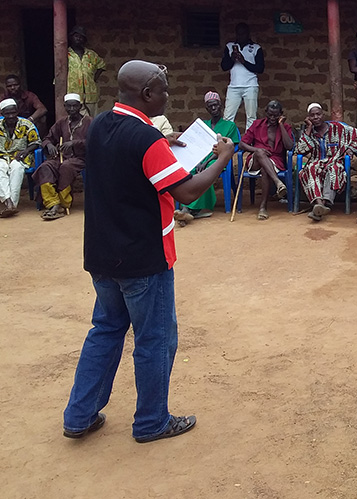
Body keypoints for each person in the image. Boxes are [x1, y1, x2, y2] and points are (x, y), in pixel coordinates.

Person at [62, 60, 235, 443]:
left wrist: (164, 145)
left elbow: (127, 167)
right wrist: (222, 158)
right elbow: (187, 191)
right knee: (155, 338)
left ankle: (79, 415)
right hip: (143, 258)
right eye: (163, 91)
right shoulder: (147, 140)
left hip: (103, 254)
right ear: (146, 95)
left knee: (105, 331)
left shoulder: (102, 125)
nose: (167, 96)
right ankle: (152, 421)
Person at [175, 91, 240, 222]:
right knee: (188, 170)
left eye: (216, 105)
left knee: (208, 169)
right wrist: (197, 160)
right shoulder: (202, 125)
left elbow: (230, 148)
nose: (214, 108)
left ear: (220, 105)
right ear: (207, 108)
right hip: (199, 159)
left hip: (218, 159)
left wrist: (206, 161)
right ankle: (193, 209)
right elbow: (194, 145)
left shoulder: (230, 126)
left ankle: (188, 209)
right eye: (210, 106)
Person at [297, 103, 357, 221]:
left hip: (335, 161)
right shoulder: (309, 132)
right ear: (309, 118)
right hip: (316, 162)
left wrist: (351, 148)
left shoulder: (339, 128)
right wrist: (308, 130)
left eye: (318, 114)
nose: (316, 117)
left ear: (323, 115)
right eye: (312, 116)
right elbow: (300, 150)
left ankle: (324, 203)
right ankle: (319, 203)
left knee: (334, 169)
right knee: (310, 169)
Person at [32, 93, 92, 220]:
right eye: (68, 106)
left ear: (80, 106)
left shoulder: (89, 122)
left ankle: (64, 203)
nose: (71, 109)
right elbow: (47, 138)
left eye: (74, 106)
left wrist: (75, 143)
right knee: (45, 167)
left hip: (80, 158)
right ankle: (53, 203)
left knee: (66, 167)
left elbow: (94, 141)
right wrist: (49, 145)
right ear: (65, 107)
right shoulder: (61, 123)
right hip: (61, 157)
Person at [238, 100, 293, 220]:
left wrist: (281, 125)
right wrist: (256, 149)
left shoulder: (286, 127)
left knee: (265, 170)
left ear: (281, 114)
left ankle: (263, 207)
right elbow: (242, 144)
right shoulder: (257, 125)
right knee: (259, 152)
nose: (272, 118)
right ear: (265, 113)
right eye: (270, 115)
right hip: (255, 160)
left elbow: (289, 146)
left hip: (275, 160)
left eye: (276, 115)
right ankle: (278, 183)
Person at [0, 98, 41, 217]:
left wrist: (26, 150)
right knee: (0, 168)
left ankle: (11, 204)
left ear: (17, 112)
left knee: (16, 168)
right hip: (2, 156)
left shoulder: (26, 125)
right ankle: (9, 202)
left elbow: (36, 142)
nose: (11, 116)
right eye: (7, 114)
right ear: (2, 114)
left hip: (21, 156)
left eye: (13, 112)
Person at [221, 23, 264, 130]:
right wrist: (232, 58)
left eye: (243, 33)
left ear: (248, 34)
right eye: (239, 34)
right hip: (233, 86)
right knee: (227, 117)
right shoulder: (230, 46)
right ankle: (226, 140)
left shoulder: (255, 48)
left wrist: (243, 61)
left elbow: (260, 68)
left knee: (251, 117)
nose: (241, 36)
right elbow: (224, 67)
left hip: (250, 85)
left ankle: (248, 143)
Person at [67, 26, 106, 116]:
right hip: (74, 94)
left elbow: (102, 65)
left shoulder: (91, 55)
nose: (78, 39)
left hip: (90, 95)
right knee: (76, 120)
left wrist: (94, 79)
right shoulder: (66, 54)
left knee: (92, 120)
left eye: (81, 37)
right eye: (76, 36)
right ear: (71, 37)